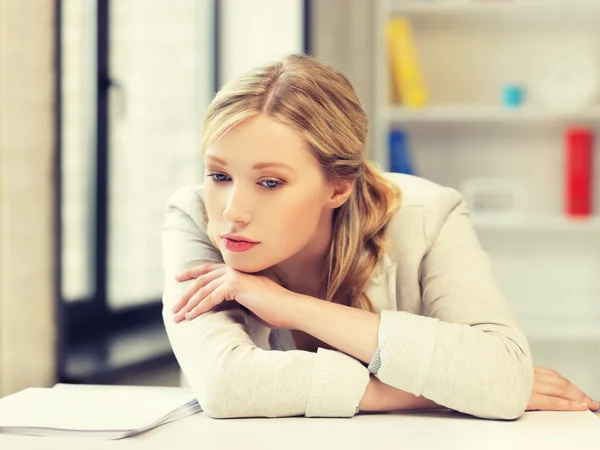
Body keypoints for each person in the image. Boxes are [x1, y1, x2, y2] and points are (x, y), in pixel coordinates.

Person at [161, 54, 598, 419]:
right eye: (219, 174)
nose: (232, 212)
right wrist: (430, 390)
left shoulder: (428, 214)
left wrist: (293, 308)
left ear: (338, 186)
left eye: (270, 183)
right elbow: (226, 385)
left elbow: (501, 376)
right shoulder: (195, 216)